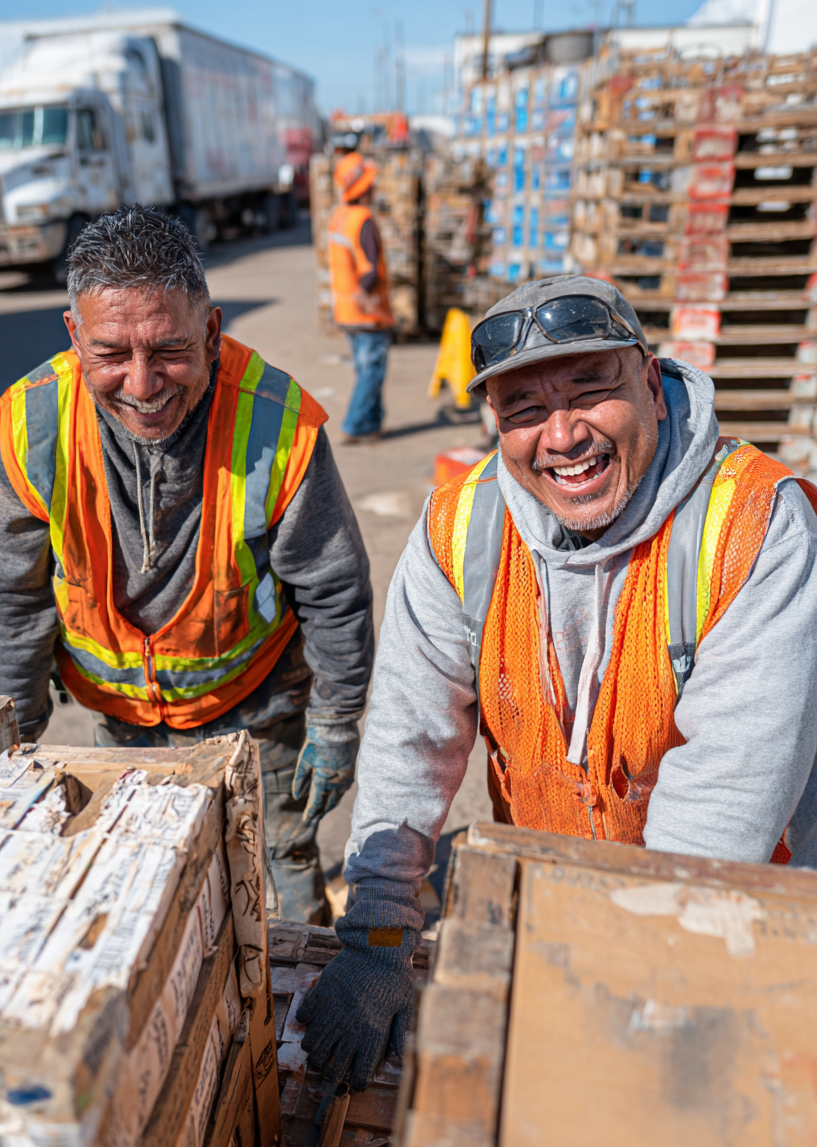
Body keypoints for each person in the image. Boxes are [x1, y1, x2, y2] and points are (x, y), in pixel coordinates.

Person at [297, 273, 817, 1087]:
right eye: (526, 410)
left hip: (734, 911)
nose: (564, 434)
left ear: (650, 380)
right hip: (559, 901)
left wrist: (623, 1001)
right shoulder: (461, 529)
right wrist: (377, 938)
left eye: (590, 390)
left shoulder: (754, 526)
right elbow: (409, 738)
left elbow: (721, 812)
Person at [0, 205, 374, 924]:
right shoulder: (36, 424)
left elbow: (333, 588)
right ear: (74, 338)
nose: (143, 383)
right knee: (146, 890)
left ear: (213, 333)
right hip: (121, 717)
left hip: (256, 705)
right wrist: (18, 723)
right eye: (111, 354)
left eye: (169, 351)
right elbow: (9, 590)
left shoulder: (276, 424)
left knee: (279, 872)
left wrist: (336, 722)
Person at [327, 152, 396, 443]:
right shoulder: (363, 220)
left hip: (347, 311)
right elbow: (369, 272)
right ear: (365, 187)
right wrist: (370, 290)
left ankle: (372, 425)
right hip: (368, 312)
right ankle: (354, 426)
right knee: (372, 373)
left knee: (369, 370)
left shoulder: (339, 216)